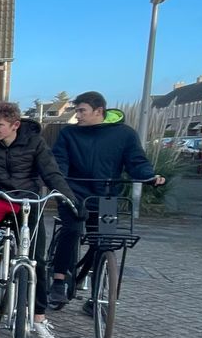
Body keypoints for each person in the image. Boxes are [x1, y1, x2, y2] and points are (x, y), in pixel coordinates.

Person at [0, 101, 76, 338]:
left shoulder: (35, 143)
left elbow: (51, 173)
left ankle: (39, 320)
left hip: (28, 202)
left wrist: (69, 200)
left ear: (15, 125)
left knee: (37, 261)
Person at [47, 91, 164, 307]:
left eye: (82, 111)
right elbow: (59, 161)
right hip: (73, 193)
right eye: (76, 110)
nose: (77, 115)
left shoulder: (125, 134)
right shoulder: (68, 134)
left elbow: (136, 161)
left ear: (99, 111)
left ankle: (96, 298)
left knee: (104, 242)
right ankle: (59, 281)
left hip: (106, 195)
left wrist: (149, 176)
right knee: (71, 230)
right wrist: (59, 181)